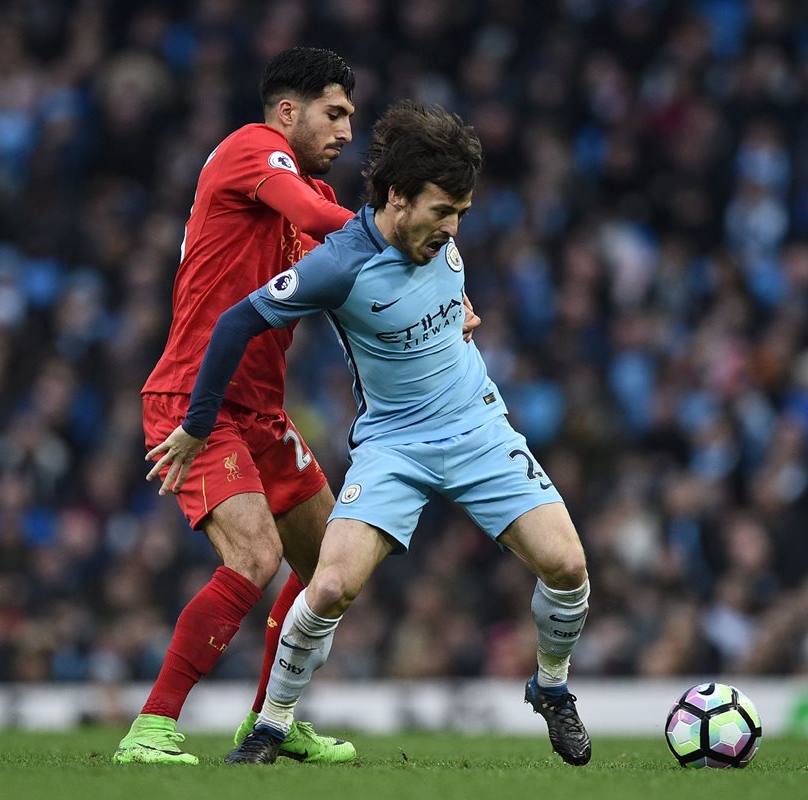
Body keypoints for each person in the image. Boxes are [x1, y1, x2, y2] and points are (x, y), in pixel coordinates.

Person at [146, 101, 592, 767]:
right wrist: (197, 423)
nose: (452, 228)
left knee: (569, 566)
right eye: (442, 211)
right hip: (394, 447)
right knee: (327, 587)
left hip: (477, 426)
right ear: (396, 197)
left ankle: (551, 688)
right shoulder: (338, 265)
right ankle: (271, 726)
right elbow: (237, 322)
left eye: (461, 215)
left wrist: (462, 313)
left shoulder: (441, 240)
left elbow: (439, 298)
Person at [114, 46, 363, 766]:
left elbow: (341, 254)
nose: (347, 131)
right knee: (255, 557)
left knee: (328, 568)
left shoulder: (294, 204)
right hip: (197, 400)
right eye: (335, 113)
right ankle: (151, 728)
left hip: (260, 412)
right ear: (289, 112)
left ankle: (269, 721)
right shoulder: (254, 150)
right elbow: (322, 216)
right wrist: (401, 235)